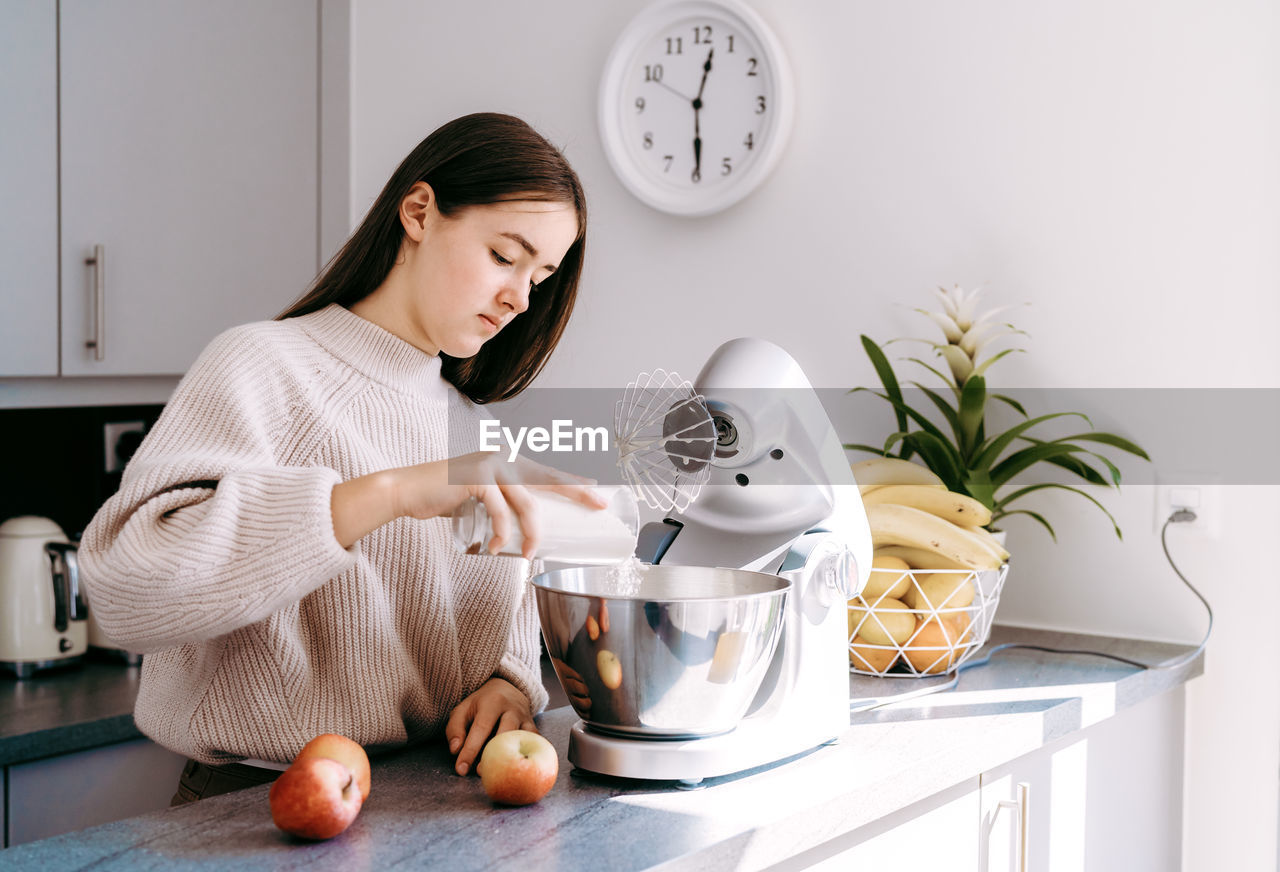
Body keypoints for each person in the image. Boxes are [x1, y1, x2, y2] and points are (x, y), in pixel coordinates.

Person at [79, 112, 600, 804]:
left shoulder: (472, 431)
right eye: (506, 256)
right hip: (255, 808)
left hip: (430, 800)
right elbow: (121, 591)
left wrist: (509, 684)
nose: (519, 297)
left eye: (541, 275)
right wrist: (385, 494)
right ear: (419, 212)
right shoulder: (264, 366)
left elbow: (493, 626)